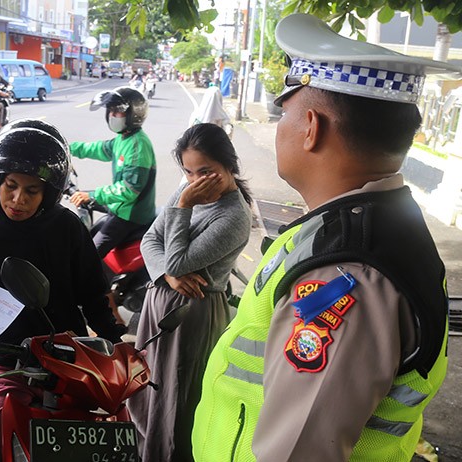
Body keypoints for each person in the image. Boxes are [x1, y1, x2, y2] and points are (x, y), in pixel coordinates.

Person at [192, 13, 457, 461]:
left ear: (312, 128)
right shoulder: (367, 228)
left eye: (284, 112)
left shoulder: (346, 276)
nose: (280, 125)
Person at [0, 119, 126, 462]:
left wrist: (116, 344)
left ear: (47, 193)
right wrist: (1, 348)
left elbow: (93, 294)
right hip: (6, 360)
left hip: (67, 355)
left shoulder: (67, 227)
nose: (18, 199)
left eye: (31, 191)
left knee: (113, 425)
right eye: (11, 185)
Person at [127, 123, 253, 462]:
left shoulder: (234, 217)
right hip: (160, 302)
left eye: (206, 172)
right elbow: (150, 240)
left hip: (190, 315)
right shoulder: (188, 191)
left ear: (229, 165)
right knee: (146, 386)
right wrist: (168, 276)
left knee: (175, 398)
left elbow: (178, 260)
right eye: (188, 171)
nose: (196, 181)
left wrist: (183, 206)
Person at [69, 86, 156, 259]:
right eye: (110, 111)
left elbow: (129, 190)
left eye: (117, 112)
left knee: (89, 255)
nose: (111, 116)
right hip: (123, 206)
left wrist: (92, 195)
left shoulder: (137, 146)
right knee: (83, 200)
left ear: (133, 115)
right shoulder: (123, 138)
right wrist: (67, 148)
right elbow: (98, 148)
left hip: (131, 213)